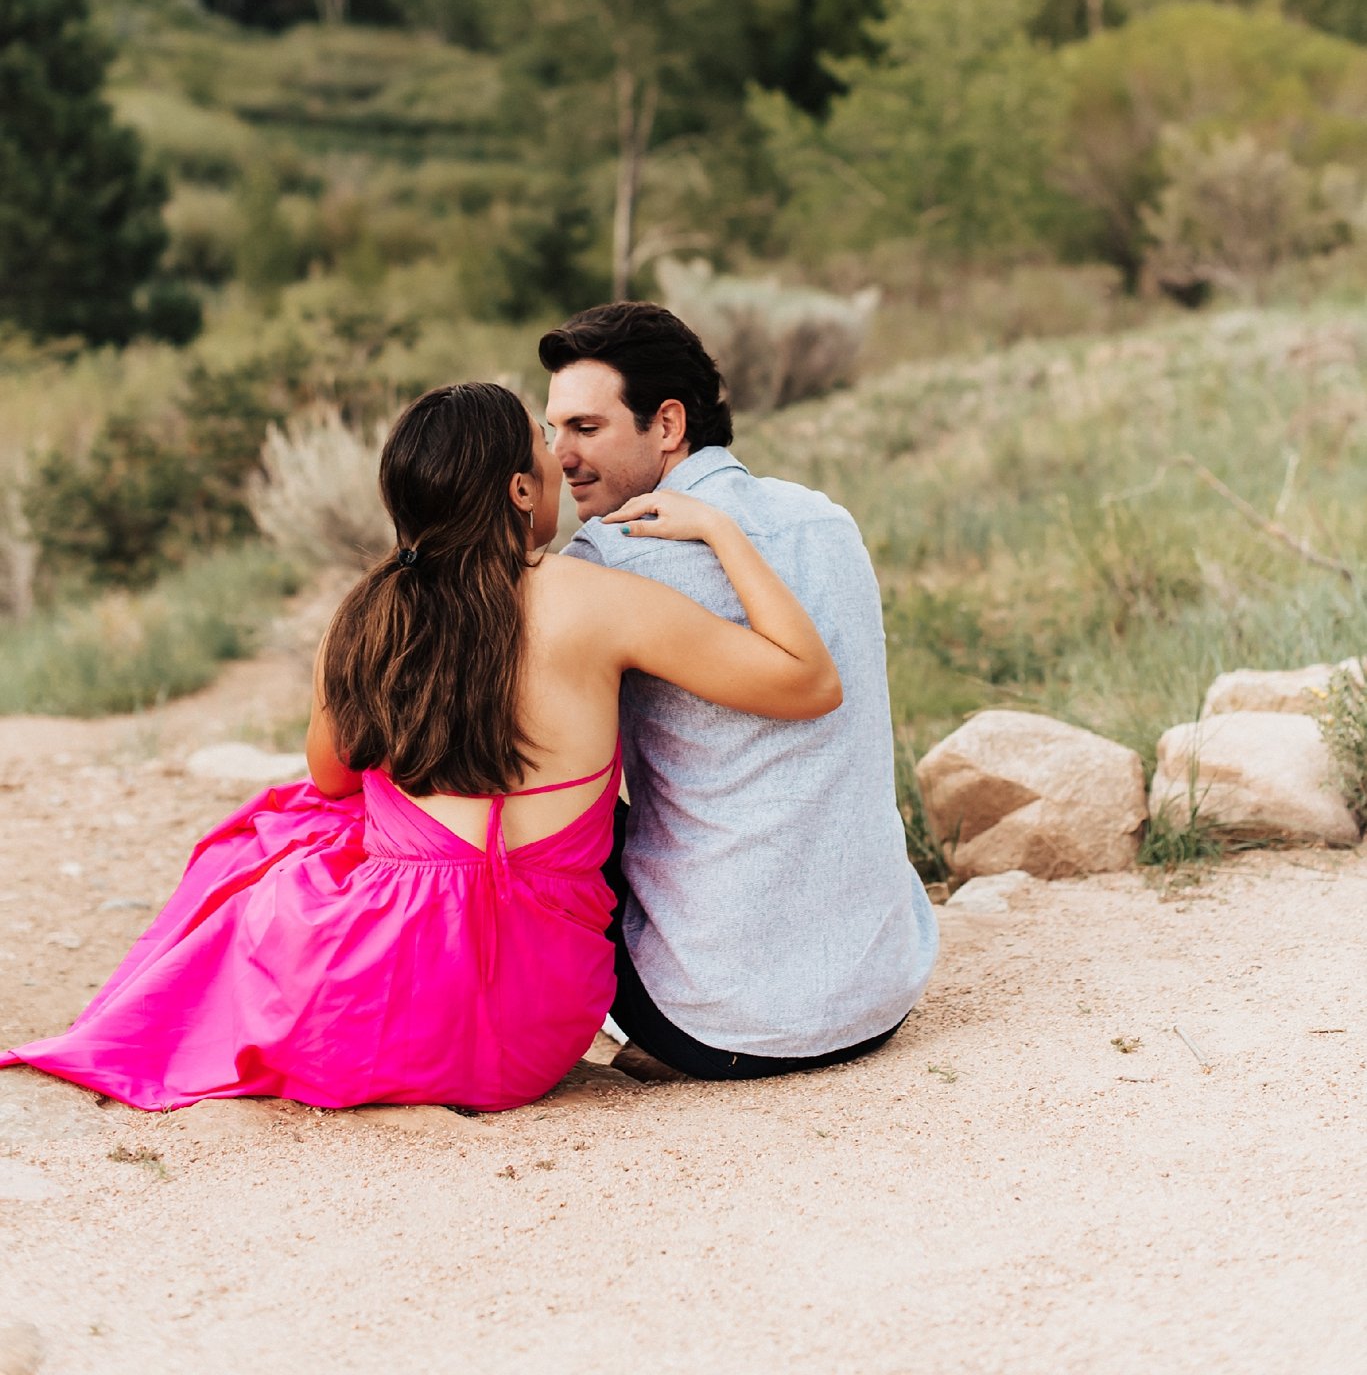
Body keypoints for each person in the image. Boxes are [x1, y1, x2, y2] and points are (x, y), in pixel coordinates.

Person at [2, 382, 839, 1114]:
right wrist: (724, 534)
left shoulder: (368, 612)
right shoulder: (596, 600)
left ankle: (161, 1016)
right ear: (519, 490)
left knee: (286, 822)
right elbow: (806, 683)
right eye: (542, 456)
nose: (557, 463)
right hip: (531, 1034)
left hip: (366, 1015)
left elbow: (329, 776)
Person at [542, 302, 939, 1082]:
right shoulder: (824, 519)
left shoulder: (606, 558)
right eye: (553, 431)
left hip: (717, 1022)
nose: (560, 456)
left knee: (536, 800)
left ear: (666, 424)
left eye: (585, 429)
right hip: (880, 993)